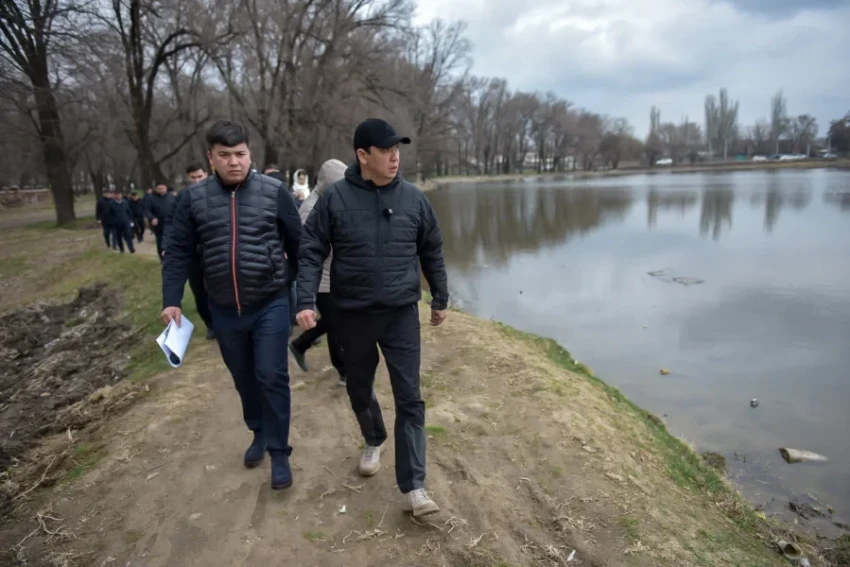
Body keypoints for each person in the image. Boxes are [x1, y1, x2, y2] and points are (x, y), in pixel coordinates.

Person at [296, 118, 449, 517]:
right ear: (363, 156)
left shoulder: (414, 199)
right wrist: (305, 299)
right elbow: (311, 250)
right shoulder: (335, 199)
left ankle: (415, 487)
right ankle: (374, 437)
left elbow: (432, 249)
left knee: (410, 398)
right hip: (353, 314)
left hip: (401, 314)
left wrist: (440, 296)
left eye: (397, 149)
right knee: (359, 387)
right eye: (386, 150)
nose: (395, 157)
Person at [161, 120, 302, 490]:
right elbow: (177, 251)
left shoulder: (274, 191)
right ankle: (258, 431)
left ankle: (280, 452)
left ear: (250, 154)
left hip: (270, 302)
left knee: (271, 374)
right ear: (211, 158)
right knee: (244, 377)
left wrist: (294, 288)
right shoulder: (192, 199)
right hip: (223, 307)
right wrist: (171, 299)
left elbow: (300, 244)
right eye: (225, 155)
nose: (234, 162)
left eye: (240, 154)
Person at [288, 159, 346, 384]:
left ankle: (299, 345)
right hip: (322, 279)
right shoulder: (310, 209)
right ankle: (344, 371)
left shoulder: (328, 200)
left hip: (335, 274)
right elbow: (309, 251)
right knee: (335, 324)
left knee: (335, 321)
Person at [179, 162, 215, 340]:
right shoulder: (184, 197)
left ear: (206, 174)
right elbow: (175, 224)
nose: (196, 181)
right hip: (194, 254)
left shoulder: (217, 193)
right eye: (193, 178)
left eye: (199, 177)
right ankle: (210, 324)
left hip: (214, 251)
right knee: (199, 292)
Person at [145, 182, 176, 260]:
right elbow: (147, 210)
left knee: (172, 240)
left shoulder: (171, 197)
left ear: (166, 188)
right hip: (158, 223)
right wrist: (152, 218)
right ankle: (162, 258)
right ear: (155, 189)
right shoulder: (151, 198)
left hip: (171, 222)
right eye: (159, 189)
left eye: (163, 188)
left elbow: (177, 208)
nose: (161, 190)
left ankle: (173, 257)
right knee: (160, 241)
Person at [109, 188, 136, 254]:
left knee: (128, 235)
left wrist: (131, 220)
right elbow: (109, 215)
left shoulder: (125, 202)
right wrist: (113, 222)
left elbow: (129, 212)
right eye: (117, 195)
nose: (119, 196)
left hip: (126, 222)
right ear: (114, 196)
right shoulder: (111, 204)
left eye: (120, 195)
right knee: (119, 237)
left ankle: (131, 248)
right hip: (117, 224)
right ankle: (121, 249)